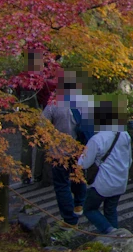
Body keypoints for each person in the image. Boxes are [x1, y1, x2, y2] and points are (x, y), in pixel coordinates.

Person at [40, 72, 90, 225]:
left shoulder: (54, 104)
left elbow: (42, 125)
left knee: (62, 185)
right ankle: (79, 204)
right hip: (79, 148)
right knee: (78, 177)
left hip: (59, 151)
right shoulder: (82, 102)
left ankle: (69, 218)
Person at [78, 101, 132, 235]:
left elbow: (83, 163)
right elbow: (129, 159)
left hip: (102, 183)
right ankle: (116, 239)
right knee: (110, 209)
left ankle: (109, 231)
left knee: (89, 209)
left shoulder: (97, 139)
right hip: (120, 181)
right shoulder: (124, 135)